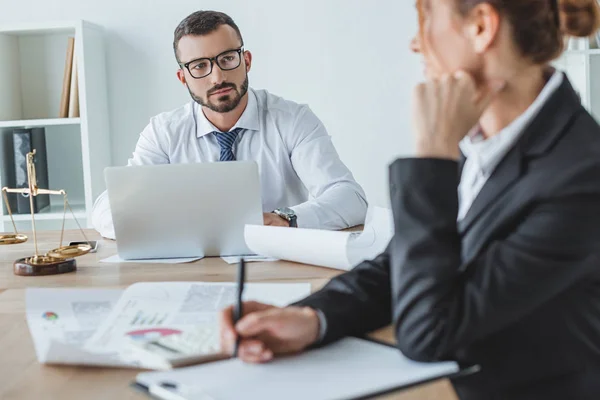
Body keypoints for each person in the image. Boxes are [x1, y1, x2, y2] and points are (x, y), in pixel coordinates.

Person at [219, 1, 600, 398]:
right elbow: (406, 262)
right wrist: (312, 317)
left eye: (426, 18)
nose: (415, 43)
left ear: (482, 27)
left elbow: (430, 332)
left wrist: (432, 155)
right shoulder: (491, 140)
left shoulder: (580, 178)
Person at [91, 10, 367, 239]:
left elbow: (350, 199)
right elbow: (106, 210)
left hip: (278, 260)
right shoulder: (163, 133)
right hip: (191, 267)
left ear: (246, 60)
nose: (217, 77)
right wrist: (172, 225)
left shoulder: (292, 119)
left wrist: (285, 219)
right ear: (183, 77)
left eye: (226, 59)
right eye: (199, 66)